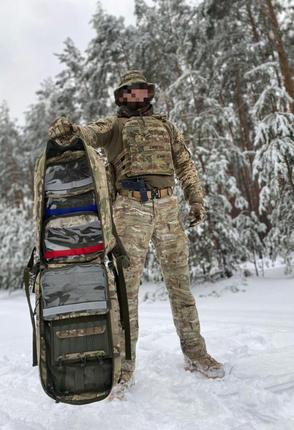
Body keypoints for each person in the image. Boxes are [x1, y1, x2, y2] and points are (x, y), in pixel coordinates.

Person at [48, 70, 225, 399]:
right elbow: (85, 134)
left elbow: (185, 163)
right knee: (123, 292)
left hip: (169, 208)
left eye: (142, 92)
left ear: (149, 94)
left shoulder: (166, 127)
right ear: (120, 97)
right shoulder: (114, 126)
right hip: (130, 211)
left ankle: (195, 352)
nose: (137, 98)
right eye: (130, 93)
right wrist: (68, 130)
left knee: (181, 287)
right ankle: (123, 366)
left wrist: (196, 199)